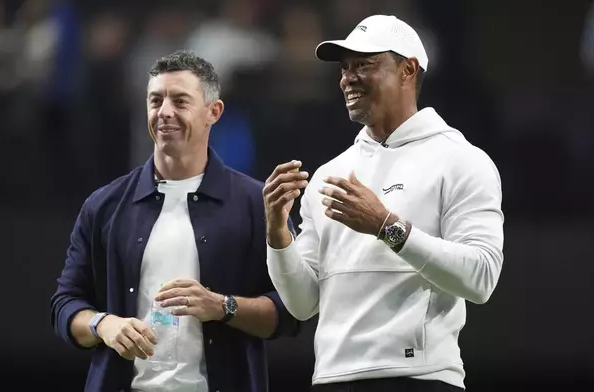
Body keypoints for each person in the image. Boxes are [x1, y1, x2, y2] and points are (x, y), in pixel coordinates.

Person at [263, 14, 504, 392]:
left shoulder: (461, 160)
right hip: (332, 377)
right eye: (344, 68)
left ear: (408, 70)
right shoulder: (330, 173)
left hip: (419, 378)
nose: (348, 78)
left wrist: (385, 226)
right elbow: (302, 304)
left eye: (365, 64)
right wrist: (279, 236)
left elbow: (481, 278)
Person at [50, 50, 299, 392]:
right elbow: (65, 305)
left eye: (180, 101)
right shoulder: (104, 205)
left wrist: (222, 306)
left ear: (214, 112)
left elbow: (292, 312)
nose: (164, 112)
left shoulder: (256, 204)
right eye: (155, 101)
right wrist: (103, 325)